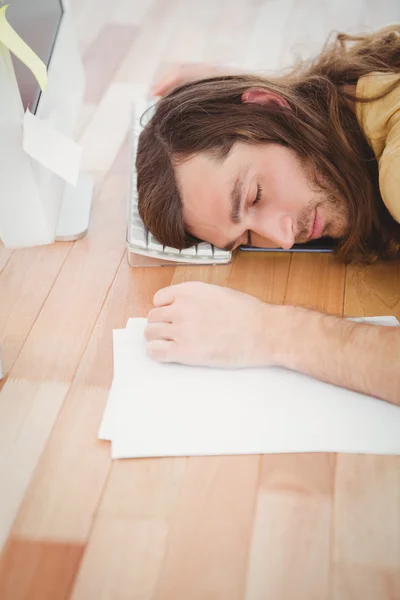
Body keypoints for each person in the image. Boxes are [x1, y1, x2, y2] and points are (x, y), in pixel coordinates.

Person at [136, 26, 400, 404]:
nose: (285, 237)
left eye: (254, 196)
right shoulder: (348, 96)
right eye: (244, 238)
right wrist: (219, 87)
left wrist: (266, 331)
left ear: (268, 106)